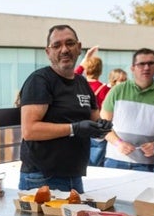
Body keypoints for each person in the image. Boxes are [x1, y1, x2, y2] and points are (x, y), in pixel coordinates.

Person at [18, 24, 111, 193]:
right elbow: (29, 130)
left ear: (79, 48)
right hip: (41, 177)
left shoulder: (82, 83)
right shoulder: (40, 80)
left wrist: (101, 129)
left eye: (69, 43)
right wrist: (74, 128)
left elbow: (94, 120)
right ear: (48, 52)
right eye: (57, 45)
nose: (64, 49)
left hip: (74, 176)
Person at [100, 48, 154, 171]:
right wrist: (118, 143)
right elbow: (102, 125)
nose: (146, 67)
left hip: (147, 164)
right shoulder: (117, 91)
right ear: (132, 68)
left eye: (150, 63)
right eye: (141, 64)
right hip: (115, 160)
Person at [74, 46, 111, 167]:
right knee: (96, 168)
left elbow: (74, 73)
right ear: (100, 70)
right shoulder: (106, 89)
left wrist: (85, 59)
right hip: (97, 129)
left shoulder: (76, 84)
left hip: (79, 129)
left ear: (86, 69)